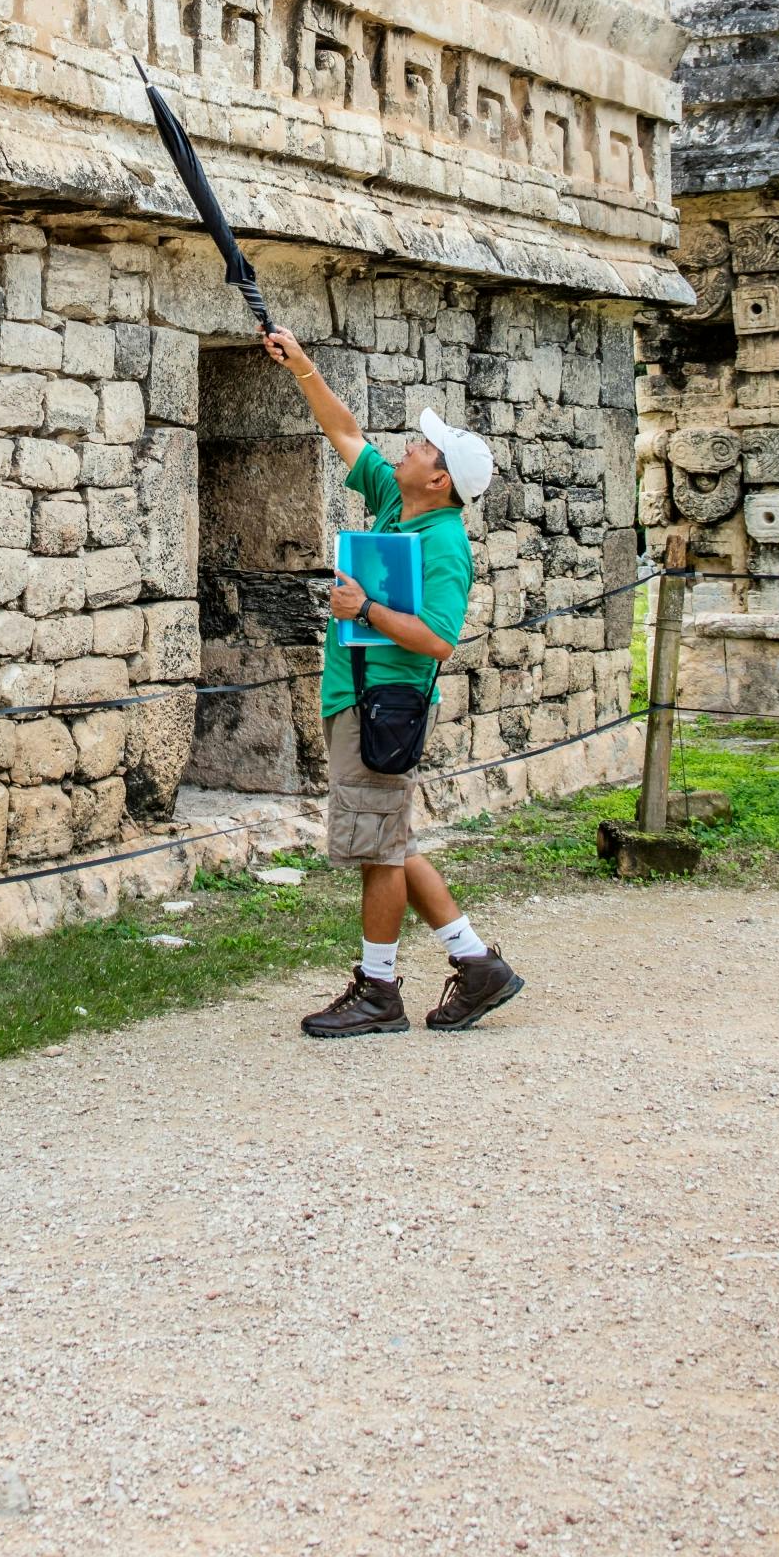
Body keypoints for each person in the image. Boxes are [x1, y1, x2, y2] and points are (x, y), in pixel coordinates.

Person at [262, 327, 524, 1039]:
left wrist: (366, 610)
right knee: (391, 838)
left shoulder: (444, 544)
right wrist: (303, 366)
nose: (410, 446)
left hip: (386, 704)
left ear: (439, 481)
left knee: (378, 847)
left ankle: (379, 989)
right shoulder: (392, 502)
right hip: (360, 696)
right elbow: (345, 433)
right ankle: (475, 962)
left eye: (424, 448)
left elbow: (440, 636)